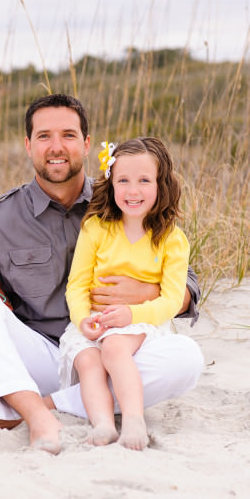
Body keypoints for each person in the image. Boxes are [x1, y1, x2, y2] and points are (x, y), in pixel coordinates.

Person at [0, 93, 202, 454]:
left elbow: (187, 284)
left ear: (87, 144)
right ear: (28, 145)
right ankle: (42, 400)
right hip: (44, 357)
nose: (56, 147)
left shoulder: (123, 198)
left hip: (116, 347)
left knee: (186, 359)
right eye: (44, 136)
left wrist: (144, 292)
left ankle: (49, 405)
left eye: (68, 135)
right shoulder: (2, 218)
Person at [61, 137, 189, 450]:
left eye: (144, 181)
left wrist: (131, 314)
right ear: (111, 183)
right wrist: (82, 321)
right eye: (123, 181)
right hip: (95, 319)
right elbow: (77, 284)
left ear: (161, 184)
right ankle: (103, 422)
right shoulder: (96, 228)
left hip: (140, 321)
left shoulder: (172, 239)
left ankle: (133, 420)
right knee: (88, 361)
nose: (133, 191)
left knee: (115, 348)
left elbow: (172, 300)